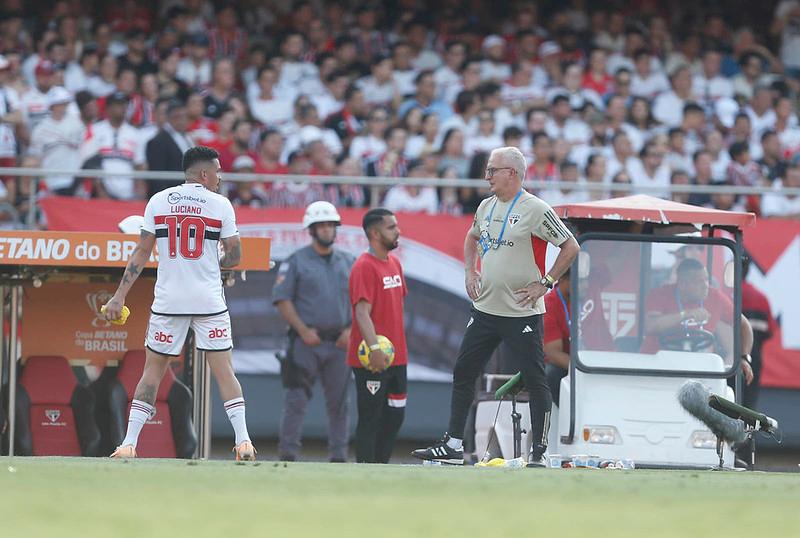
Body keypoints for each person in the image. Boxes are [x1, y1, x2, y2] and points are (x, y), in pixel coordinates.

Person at [412, 146, 580, 467]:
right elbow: (471, 237)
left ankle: (539, 453)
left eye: (493, 170)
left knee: (534, 378)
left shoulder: (536, 209)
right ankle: (453, 445)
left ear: (512, 174)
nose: (486, 176)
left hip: (522, 311)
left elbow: (570, 245)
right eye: (488, 170)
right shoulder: (486, 206)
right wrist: (470, 270)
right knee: (464, 371)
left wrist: (545, 283)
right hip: (486, 308)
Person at [102, 146, 256, 461]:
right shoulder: (220, 204)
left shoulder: (158, 201)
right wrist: (216, 262)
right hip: (209, 300)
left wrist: (119, 296)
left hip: (169, 301)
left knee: (152, 372)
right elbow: (236, 254)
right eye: (217, 171)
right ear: (204, 174)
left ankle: (129, 444)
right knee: (224, 371)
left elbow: (141, 252)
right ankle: (243, 442)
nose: (220, 177)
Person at [272, 201, 355, 462]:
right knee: (296, 400)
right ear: (311, 229)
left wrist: (352, 330)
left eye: (331, 225)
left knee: (340, 403)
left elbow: (362, 300)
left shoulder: (349, 262)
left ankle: (339, 456)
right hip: (306, 342)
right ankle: (287, 453)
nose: (328, 230)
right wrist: (303, 330)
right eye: (322, 226)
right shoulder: (296, 261)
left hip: (340, 342)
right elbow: (282, 299)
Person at [347, 208, 408, 463]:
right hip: (372, 359)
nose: (398, 231)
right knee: (371, 418)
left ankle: (381, 466)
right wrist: (374, 349)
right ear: (374, 233)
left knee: (395, 416)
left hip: (398, 358)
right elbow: (362, 313)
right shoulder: (363, 266)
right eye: (391, 227)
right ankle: (365, 470)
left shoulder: (394, 262)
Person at [642, 257, 754, 385]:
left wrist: (744, 357)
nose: (705, 285)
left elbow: (745, 326)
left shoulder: (715, 297)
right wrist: (686, 314)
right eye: (699, 281)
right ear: (682, 284)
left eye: (706, 279)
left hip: (699, 372)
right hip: (657, 369)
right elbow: (650, 326)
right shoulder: (660, 294)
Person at [741, 255, 776, 408]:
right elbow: (770, 331)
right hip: (752, 359)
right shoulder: (761, 298)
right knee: (748, 408)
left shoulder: (725, 295)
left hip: (725, 361)